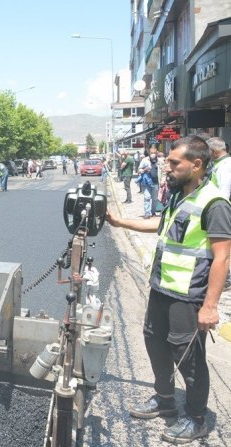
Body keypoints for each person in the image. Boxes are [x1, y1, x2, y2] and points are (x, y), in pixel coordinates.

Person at [105, 135, 231, 444]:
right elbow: (162, 227)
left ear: (196, 164)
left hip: (189, 296)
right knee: (155, 343)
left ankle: (197, 418)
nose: (167, 167)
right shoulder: (179, 196)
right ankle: (164, 400)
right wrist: (120, 222)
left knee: (188, 359)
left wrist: (210, 306)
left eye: (174, 163)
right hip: (161, 287)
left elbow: (223, 257)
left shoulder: (214, 203)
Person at [137, 145, 160, 218]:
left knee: (155, 199)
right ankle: (147, 213)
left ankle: (153, 212)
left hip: (156, 182)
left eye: (154, 153)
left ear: (157, 152)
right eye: (151, 153)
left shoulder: (160, 160)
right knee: (147, 197)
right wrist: (145, 169)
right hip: (147, 182)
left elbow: (163, 171)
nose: (153, 154)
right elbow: (139, 170)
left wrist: (163, 180)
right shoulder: (145, 160)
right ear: (149, 152)